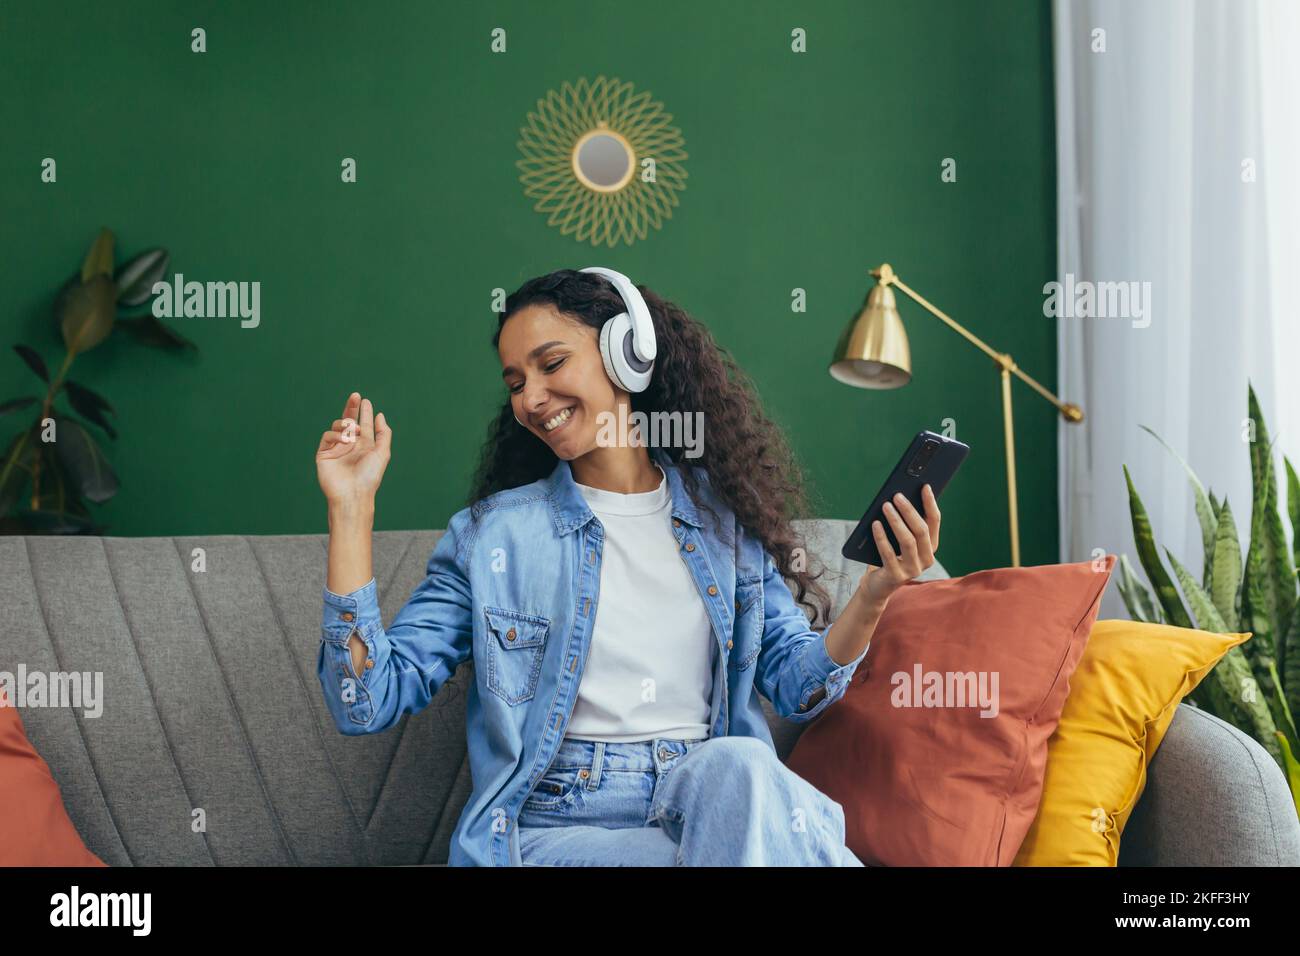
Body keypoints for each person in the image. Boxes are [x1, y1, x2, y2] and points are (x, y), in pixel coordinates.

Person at [313, 267, 942, 866]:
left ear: (627, 355)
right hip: (557, 827)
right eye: (513, 383)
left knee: (743, 770)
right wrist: (350, 509)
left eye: (551, 363)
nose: (531, 398)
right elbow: (364, 700)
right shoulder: (492, 536)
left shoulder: (721, 523)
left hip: (707, 801)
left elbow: (798, 688)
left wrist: (876, 592)